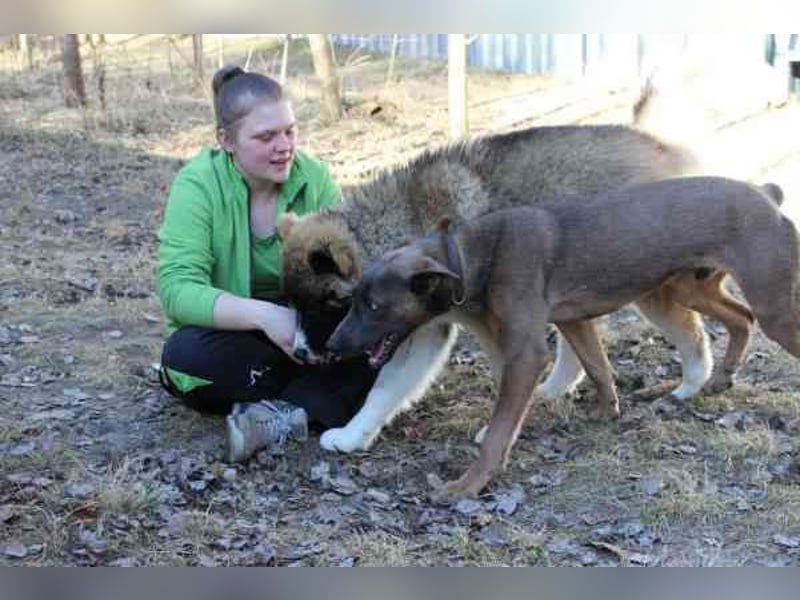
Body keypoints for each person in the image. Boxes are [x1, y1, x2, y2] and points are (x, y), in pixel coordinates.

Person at [156, 64, 376, 463]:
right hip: (240, 339)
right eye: (266, 136)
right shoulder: (198, 185)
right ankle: (313, 403)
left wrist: (306, 330)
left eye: (290, 131)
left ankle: (279, 412)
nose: (284, 146)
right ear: (226, 140)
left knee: (380, 343)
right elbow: (177, 290)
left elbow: (344, 276)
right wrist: (266, 317)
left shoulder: (313, 178)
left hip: (305, 336)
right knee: (183, 357)